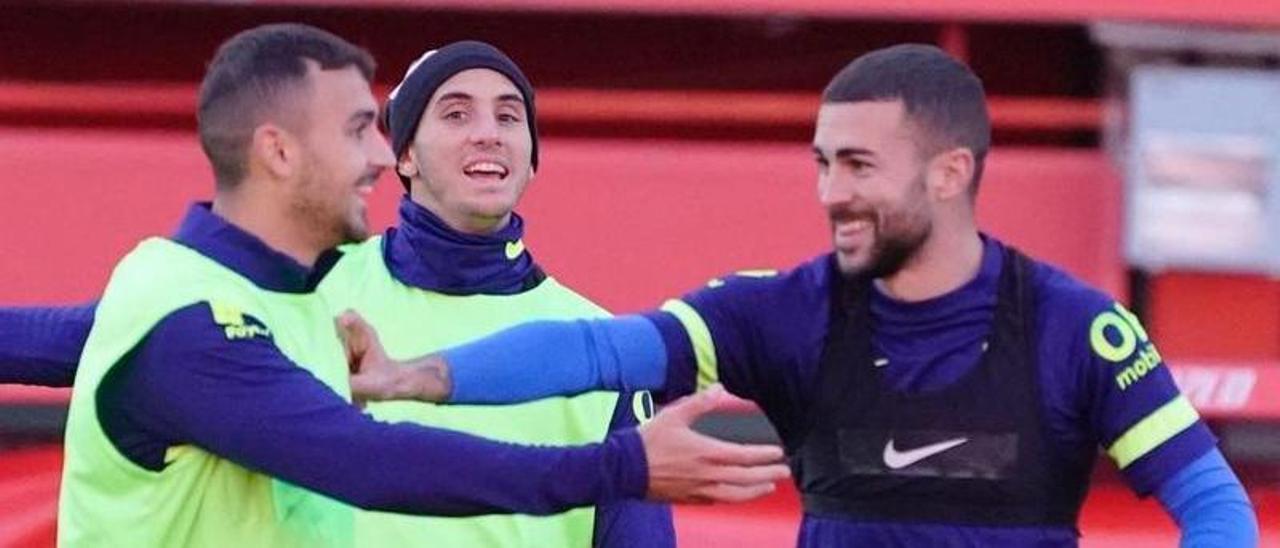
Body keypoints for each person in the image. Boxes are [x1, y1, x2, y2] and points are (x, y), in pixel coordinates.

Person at [338, 44, 1260, 547]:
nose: (829, 193)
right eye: (823, 163)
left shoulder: (1077, 329)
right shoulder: (778, 312)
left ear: (949, 173)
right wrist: (419, 376)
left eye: (859, 166)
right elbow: (592, 349)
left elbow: (1214, 505)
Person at [12, 23, 788, 547]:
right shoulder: (270, 303)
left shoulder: (593, 346)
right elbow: (371, 461)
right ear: (406, 156)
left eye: (510, 116)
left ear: (532, 155)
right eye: (456, 113)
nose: (489, 131)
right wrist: (619, 464)